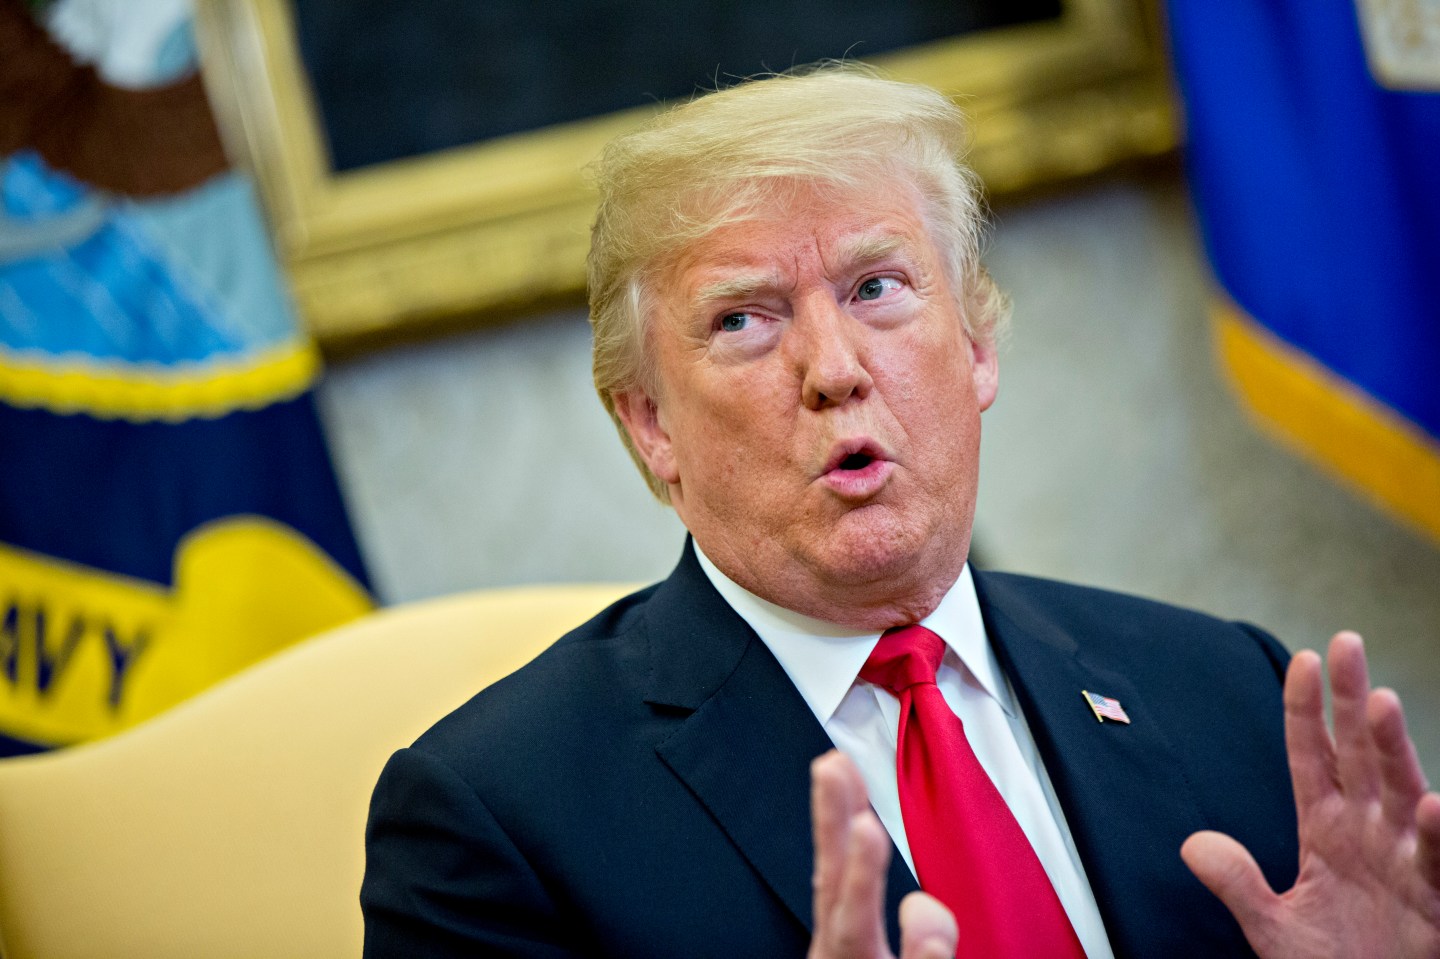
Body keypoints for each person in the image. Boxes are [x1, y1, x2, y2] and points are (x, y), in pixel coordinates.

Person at [360, 64, 1440, 958]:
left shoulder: (1226, 694)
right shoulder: (495, 822)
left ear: (977, 347)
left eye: (877, 288)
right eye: (743, 318)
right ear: (649, 423)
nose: (833, 368)